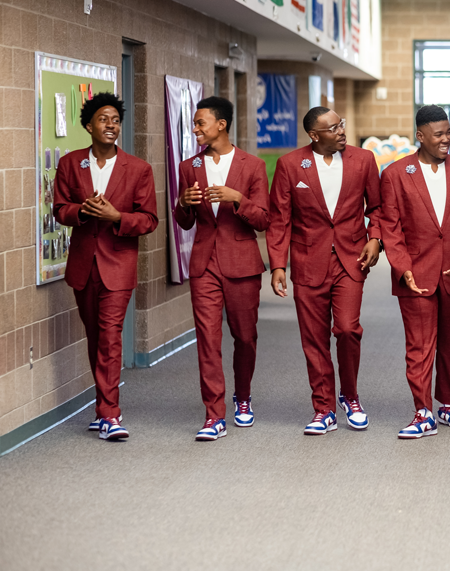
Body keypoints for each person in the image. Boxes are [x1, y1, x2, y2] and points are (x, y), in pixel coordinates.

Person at [266, 107, 382, 436]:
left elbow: (377, 208)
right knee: (314, 339)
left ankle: (350, 396)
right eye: (333, 128)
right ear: (314, 136)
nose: (341, 131)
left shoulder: (363, 160)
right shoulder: (290, 165)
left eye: (341, 124)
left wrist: (375, 238)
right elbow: (280, 219)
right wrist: (278, 264)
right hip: (308, 260)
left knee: (347, 329)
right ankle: (323, 408)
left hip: (351, 258)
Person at [380, 105, 450, 439]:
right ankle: (422, 411)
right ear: (420, 136)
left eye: (448, 133)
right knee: (419, 345)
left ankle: (448, 404)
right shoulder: (396, 174)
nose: (446, 139)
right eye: (439, 134)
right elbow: (390, 226)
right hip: (416, 274)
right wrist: (401, 267)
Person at [53, 92, 158, 441]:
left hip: (119, 264)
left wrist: (117, 217)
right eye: (103, 119)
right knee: (96, 336)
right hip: (84, 265)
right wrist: (81, 211)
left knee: (111, 336)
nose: (111, 125)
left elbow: (149, 219)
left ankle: (110, 415)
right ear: (88, 125)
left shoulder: (139, 169)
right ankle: (103, 405)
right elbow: (59, 209)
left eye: (115, 119)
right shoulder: (70, 164)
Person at [173, 97, 270, 441]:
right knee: (207, 340)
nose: (195, 128)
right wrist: (181, 205)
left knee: (245, 337)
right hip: (204, 264)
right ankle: (214, 415)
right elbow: (184, 222)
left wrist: (237, 199)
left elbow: (263, 219)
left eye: (201, 123)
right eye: (195, 124)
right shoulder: (188, 167)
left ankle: (242, 397)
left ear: (222, 124)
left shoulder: (252, 166)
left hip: (242, 262)